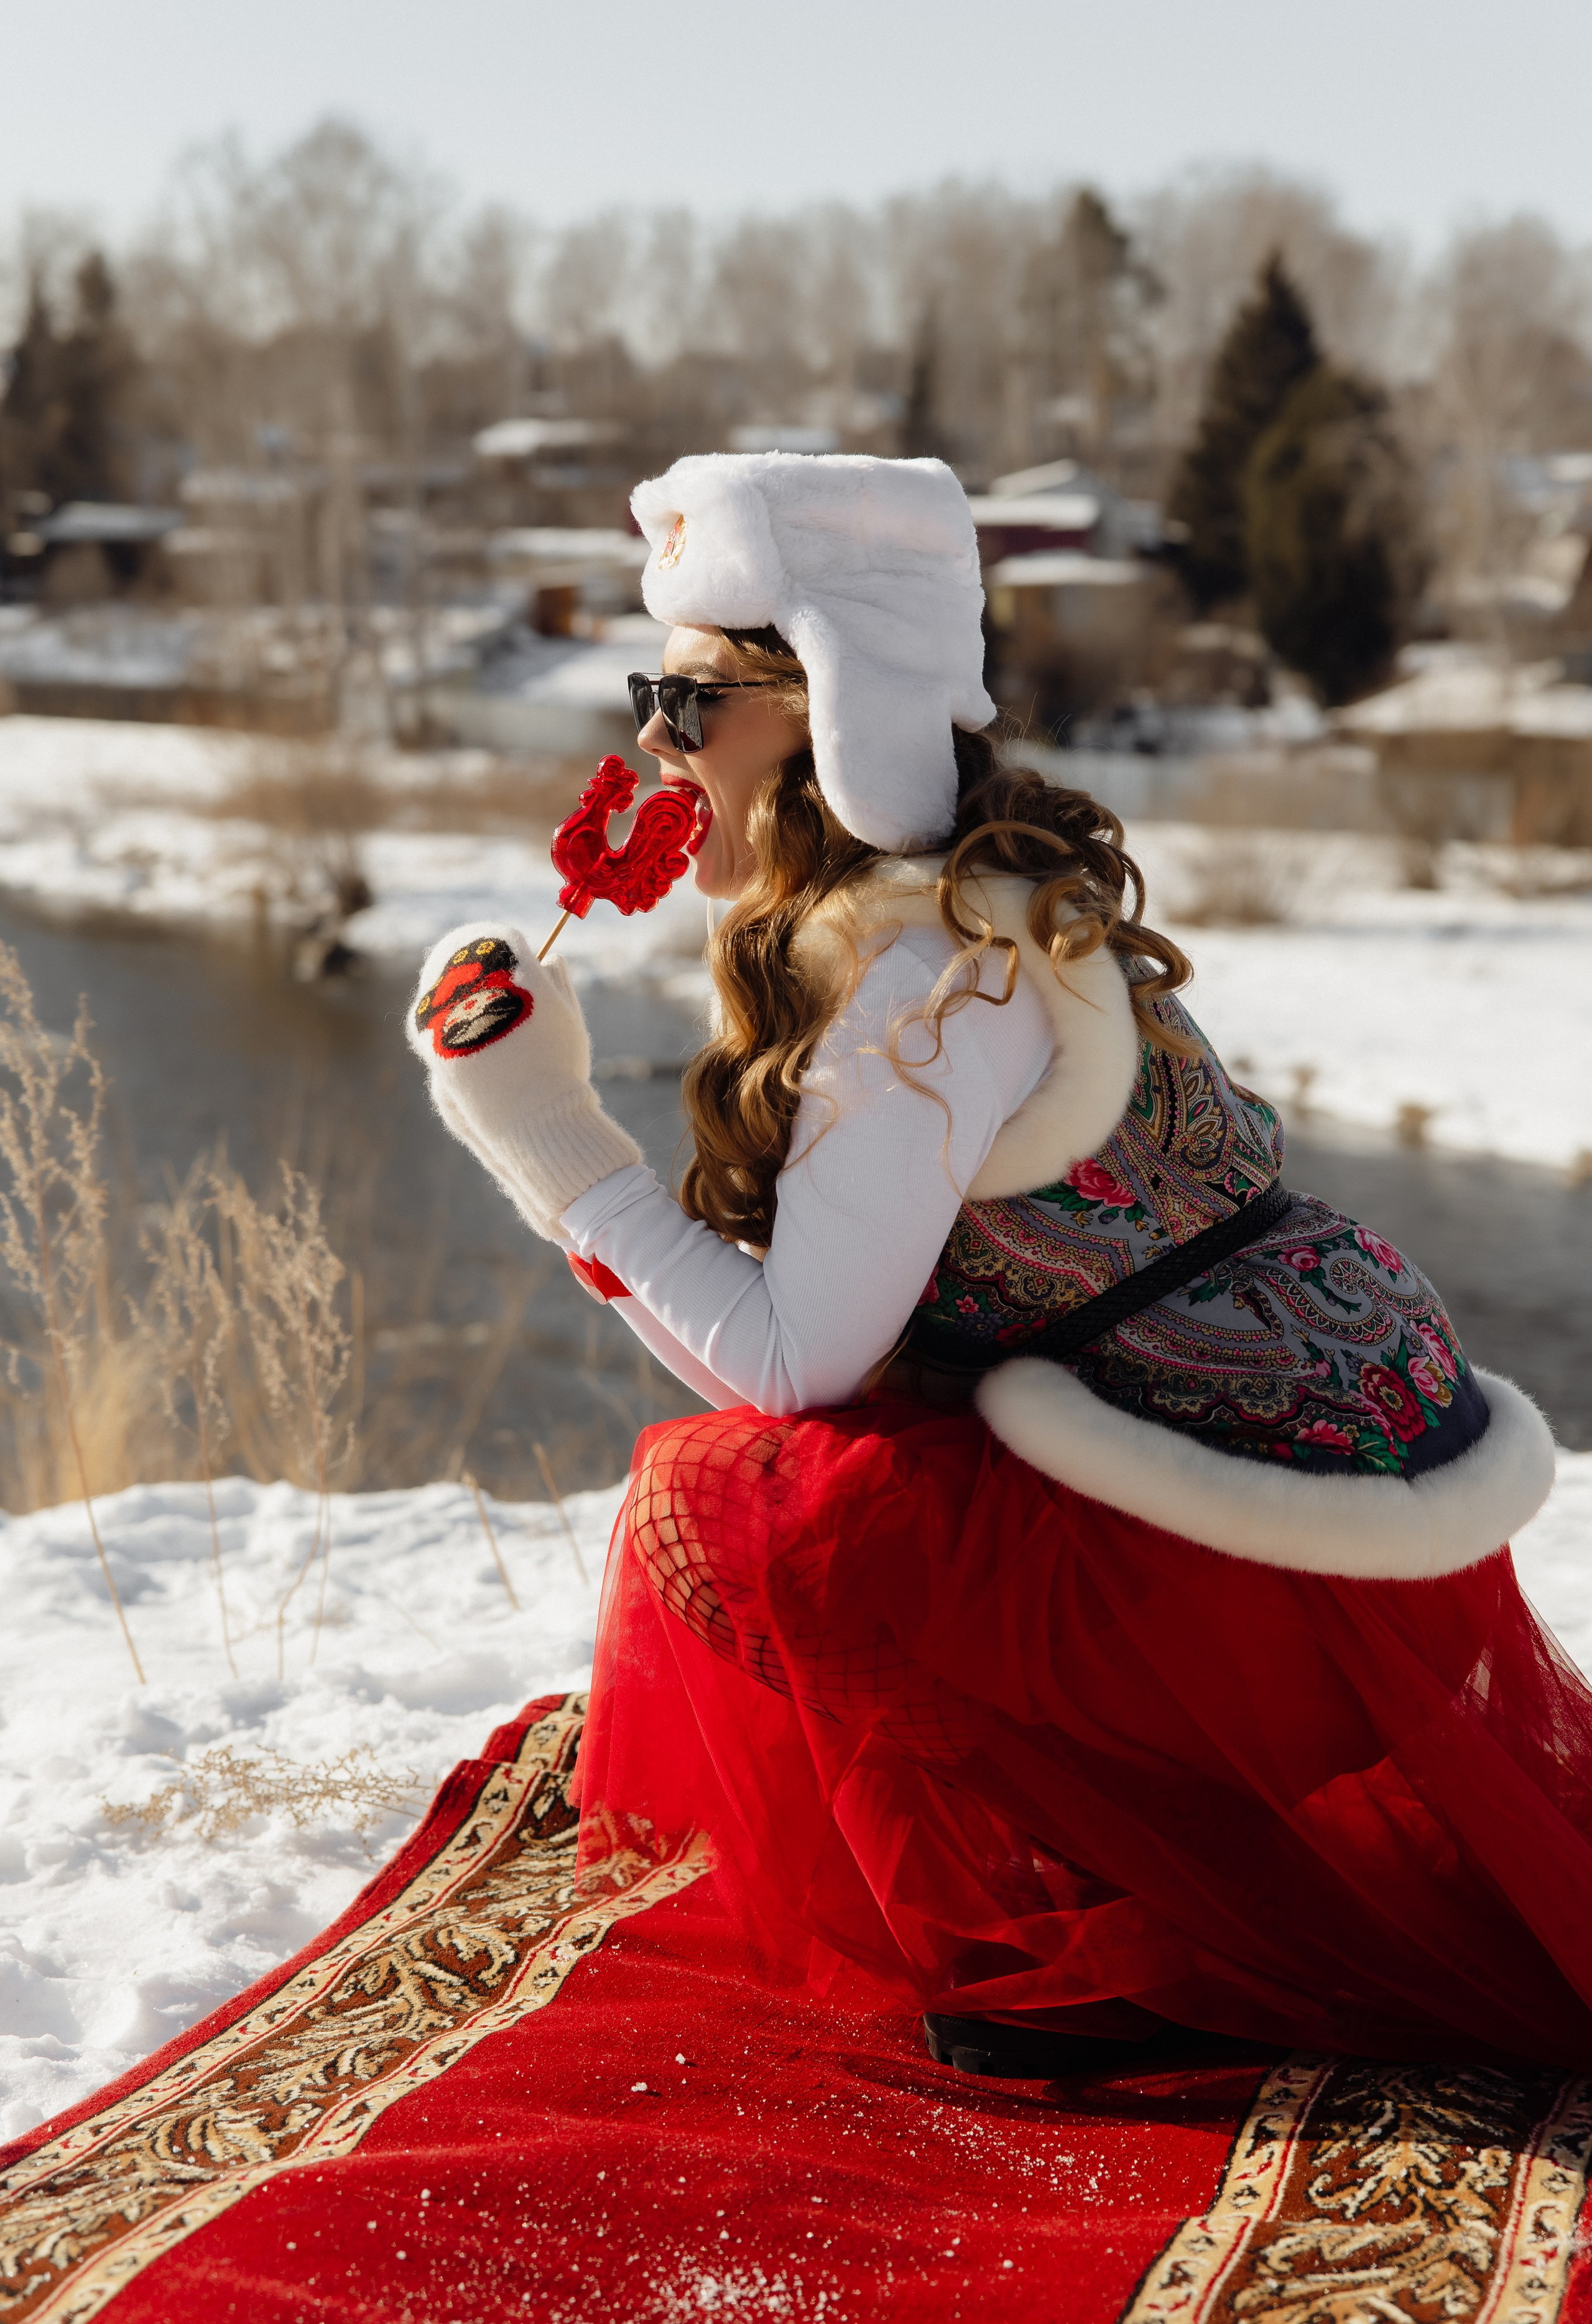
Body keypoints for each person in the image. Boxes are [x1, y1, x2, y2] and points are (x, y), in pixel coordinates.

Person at [407, 452, 1592, 2077]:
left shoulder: (912, 971)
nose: (649, 746)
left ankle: (1046, 1954)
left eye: (687, 701)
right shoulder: (971, 884)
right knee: (883, 1465)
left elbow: (792, 1363)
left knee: (756, 1503)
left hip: (1268, 1562)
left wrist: (551, 1147)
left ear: (825, 707)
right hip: (1331, 1470)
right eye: (649, 694)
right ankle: (1102, 1863)